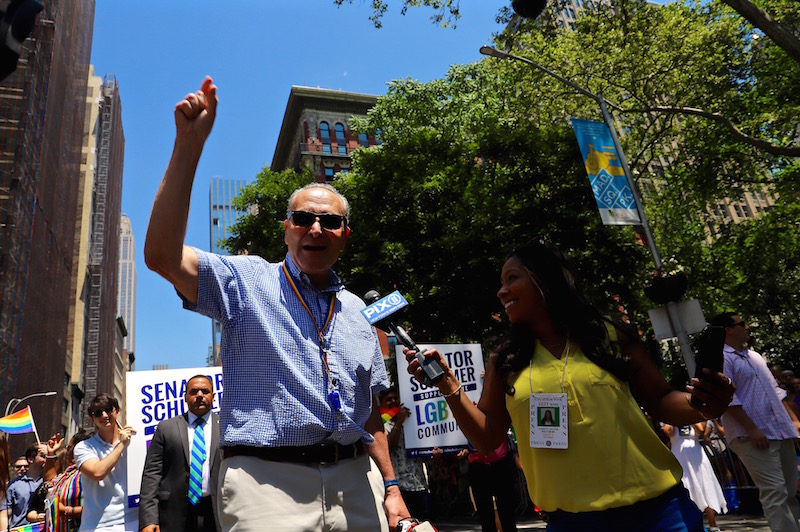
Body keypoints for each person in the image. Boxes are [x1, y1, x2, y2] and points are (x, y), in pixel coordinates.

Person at [144, 77, 408, 532]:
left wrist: (391, 485)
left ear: (346, 234)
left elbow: (368, 415)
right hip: (265, 483)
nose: (316, 229)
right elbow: (162, 256)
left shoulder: (359, 317)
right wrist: (188, 146)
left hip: (356, 483)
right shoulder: (246, 280)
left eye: (330, 221)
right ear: (287, 228)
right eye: (304, 218)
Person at [405, 239, 735, 531]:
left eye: (512, 278)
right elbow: (487, 438)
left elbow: (662, 400)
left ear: (545, 280)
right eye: (501, 283)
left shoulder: (607, 334)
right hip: (570, 522)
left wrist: (702, 405)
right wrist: (447, 383)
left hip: (660, 514)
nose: (501, 291)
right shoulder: (504, 359)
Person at [711, 312, 800, 531]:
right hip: (752, 436)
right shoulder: (722, 358)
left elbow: (775, 391)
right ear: (728, 330)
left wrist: (793, 420)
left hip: (779, 429)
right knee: (775, 492)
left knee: (789, 491)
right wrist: (752, 429)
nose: (747, 327)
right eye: (742, 323)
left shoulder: (755, 356)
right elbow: (728, 399)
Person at [139, 375, 221, 532]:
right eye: (194, 391)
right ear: (185, 397)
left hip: (217, 513)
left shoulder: (226, 428)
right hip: (174, 514)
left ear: (213, 396)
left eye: (205, 391)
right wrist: (148, 519)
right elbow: (152, 475)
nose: (199, 395)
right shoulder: (166, 428)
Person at [73, 393, 136, 531]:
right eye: (98, 413)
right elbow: (97, 472)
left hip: (133, 520)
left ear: (117, 412)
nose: (104, 415)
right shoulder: (84, 447)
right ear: (92, 419)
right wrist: (121, 445)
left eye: (108, 410)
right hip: (97, 525)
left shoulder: (134, 440)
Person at [378, 387, 431, 521]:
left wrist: (433, 454)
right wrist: (399, 422)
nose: (393, 401)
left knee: (423, 527)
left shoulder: (412, 423)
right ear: (382, 404)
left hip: (419, 485)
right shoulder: (381, 425)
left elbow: (423, 453)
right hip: (399, 488)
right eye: (388, 399)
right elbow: (388, 447)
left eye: (396, 398)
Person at [662, 422, 727, 532]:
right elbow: (668, 432)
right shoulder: (671, 420)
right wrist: (675, 418)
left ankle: (713, 524)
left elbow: (700, 431)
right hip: (679, 456)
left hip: (697, 456)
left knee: (706, 486)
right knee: (686, 487)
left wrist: (688, 419)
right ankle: (692, 524)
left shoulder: (693, 419)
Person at [3, 439, 58, 528]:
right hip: (19, 529)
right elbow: (5, 513)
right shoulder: (14, 484)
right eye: (43, 456)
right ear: (31, 459)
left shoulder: (52, 481)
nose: (47, 459)